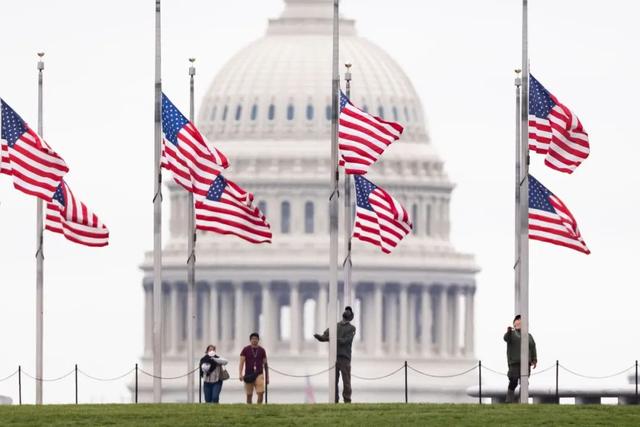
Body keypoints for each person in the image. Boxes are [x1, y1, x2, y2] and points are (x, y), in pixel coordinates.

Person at [314, 306, 356, 403]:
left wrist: (329, 338)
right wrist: (320, 337)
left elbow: (345, 341)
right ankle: (337, 400)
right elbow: (325, 336)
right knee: (335, 382)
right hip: (336, 357)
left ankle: (346, 400)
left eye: (348, 312)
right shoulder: (337, 326)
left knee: (345, 382)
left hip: (343, 358)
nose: (347, 313)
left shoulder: (351, 328)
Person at [503, 314, 537, 403]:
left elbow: (533, 347)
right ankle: (509, 400)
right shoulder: (511, 334)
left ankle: (522, 400)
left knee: (525, 382)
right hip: (514, 363)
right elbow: (506, 338)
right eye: (517, 321)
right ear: (514, 324)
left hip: (526, 363)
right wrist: (509, 331)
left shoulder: (529, 336)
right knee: (513, 381)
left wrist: (534, 359)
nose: (518, 323)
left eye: (520, 321)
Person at [239, 332, 269, 404]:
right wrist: (240, 374)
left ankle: (258, 407)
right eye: (253, 339)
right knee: (249, 395)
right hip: (248, 374)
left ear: (258, 340)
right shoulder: (245, 349)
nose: (254, 340)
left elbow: (265, 364)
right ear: (250, 340)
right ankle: (250, 409)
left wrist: (267, 377)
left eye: (256, 339)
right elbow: (241, 362)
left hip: (259, 373)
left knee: (261, 393)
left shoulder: (262, 350)